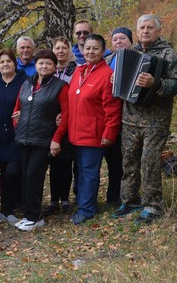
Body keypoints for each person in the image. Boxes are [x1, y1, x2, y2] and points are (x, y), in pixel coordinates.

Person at [113, 14, 177, 225]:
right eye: (142, 27)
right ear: (137, 30)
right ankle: (130, 200)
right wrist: (116, 79)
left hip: (155, 119)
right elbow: (119, 84)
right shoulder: (129, 52)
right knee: (129, 160)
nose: (146, 31)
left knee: (150, 162)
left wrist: (155, 83)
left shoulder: (168, 53)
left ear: (158, 30)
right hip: (130, 118)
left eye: (150, 27)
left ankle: (152, 205)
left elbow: (176, 86)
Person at [69, 35, 123, 224]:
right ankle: (84, 203)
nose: (91, 52)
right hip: (77, 133)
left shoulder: (107, 74)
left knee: (90, 172)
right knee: (81, 172)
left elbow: (113, 110)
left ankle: (86, 210)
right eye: (88, 48)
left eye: (95, 49)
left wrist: (109, 134)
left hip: (94, 135)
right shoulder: (78, 71)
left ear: (103, 51)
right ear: (82, 50)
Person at [13, 49, 69, 231]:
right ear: (35, 65)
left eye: (48, 63)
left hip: (44, 139)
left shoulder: (60, 86)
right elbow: (17, 108)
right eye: (40, 63)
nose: (44, 66)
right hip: (24, 138)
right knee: (25, 177)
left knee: (33, 176)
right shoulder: (27, 84)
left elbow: (66, 115)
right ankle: (29, 214)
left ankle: (35, 217)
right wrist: (17, 126)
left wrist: (56, 139)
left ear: (54, 66)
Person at [0, 49, 28, 225]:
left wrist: (23, 113)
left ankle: (13, 205)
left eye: (8, 61)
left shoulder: (24, 81)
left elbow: (31, 102)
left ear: (15, 63)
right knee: (4, 173)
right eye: (2, 62)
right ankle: (5, 209)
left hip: (17, 135)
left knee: (13, 172)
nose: (5, 64)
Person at [43, 37, 77, 217]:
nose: (61, 51)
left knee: (65, 162)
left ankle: (65, 199)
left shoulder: (77, 70)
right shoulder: (48, 70)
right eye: (57, 48)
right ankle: (53, 200)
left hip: (68, 121)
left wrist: (65, 114)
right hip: (48, 123)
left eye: (65, 48)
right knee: (53, 163)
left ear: (69, 50)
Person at [102, 27, 133, 207]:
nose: (118, 42)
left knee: (127, 160)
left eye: (122, 38)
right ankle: (113, 196)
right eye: (115, 39)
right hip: (111, 116)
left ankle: (128, 196)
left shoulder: (137, 57)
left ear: (130, 40)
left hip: (131, 116)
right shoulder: (107, 60)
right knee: (113, 160)